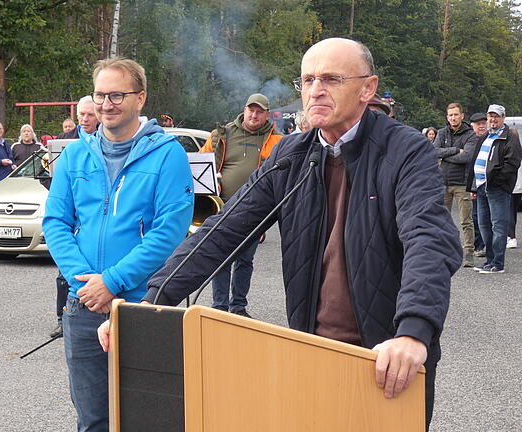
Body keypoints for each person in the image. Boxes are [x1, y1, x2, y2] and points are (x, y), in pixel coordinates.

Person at [100, 38, 462, 429]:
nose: (316, 90)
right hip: (309, 352)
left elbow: (429, 239)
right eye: (307, 80)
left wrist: (413, 332)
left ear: (368, 88)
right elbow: (221, 232)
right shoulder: (291, 154)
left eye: (331, 78)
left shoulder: (406, 150)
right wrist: (151, 304)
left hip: (388, 358)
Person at [43, 57, 194, 432]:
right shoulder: (74, 155)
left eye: (117, 95)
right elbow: (56, 224)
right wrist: (88, 286)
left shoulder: (167, 155)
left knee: (148, 417)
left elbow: (169, 232)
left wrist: (111, 281)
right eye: (100, 95)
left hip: (144, 304)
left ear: (140, 98)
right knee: (92, 419)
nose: (106, 104)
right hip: (83, 305)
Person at [199, 93, 283, 317]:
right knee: (221, 259)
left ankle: (238, 308)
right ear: (244, 110)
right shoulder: (221, 134)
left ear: (267, 115)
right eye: (251, 110)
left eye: (259, 112)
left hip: (255, 210)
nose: (254, 115)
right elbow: (200, 163)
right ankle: (219, 307)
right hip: (223, 207)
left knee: (245, 260)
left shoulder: (277, 140)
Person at [49, 95, 100, 339]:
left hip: (92, 220)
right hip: (72, 218)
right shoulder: (66, 142)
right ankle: (62, 317)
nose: (85, 119)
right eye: (81, 115)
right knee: (64, 273)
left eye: (90, 115)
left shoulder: (107, 139)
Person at [466, 104, 522, 274]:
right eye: (490, 116)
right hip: (482, 187)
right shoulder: (486, 136)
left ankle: (498, 263)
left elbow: (512, 163)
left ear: (503, 117)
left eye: (496, 116)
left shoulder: (509, 137)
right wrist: (473, 185)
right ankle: (489, 261)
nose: (493, 119)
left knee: (498, 226)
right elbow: (476, 161)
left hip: (497, 188)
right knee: (484, 226)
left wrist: (495, 181)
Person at [433, 103, 477, 267]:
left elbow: (466, 157)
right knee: (441, 220)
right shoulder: (442, 132)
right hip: (443, 182)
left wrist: (446, 154)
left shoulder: (470, 135)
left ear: (462, 116)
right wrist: (455, 150)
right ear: (447, 117)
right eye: (450, 115)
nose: (453, 118)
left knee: (466, 220)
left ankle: (468, 254)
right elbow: (433, 151)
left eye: (456, 115)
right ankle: (443, 252)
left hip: (462, 183)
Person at [469, 113, 488, 256]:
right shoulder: (470, 140)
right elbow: (468, 163)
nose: (481, 126)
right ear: (472, 126)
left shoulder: (491, 139)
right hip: (475, 184)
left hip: (491, 183)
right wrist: (471, 187)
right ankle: (479, 245)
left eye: (483, 123)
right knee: (476, 217)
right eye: (478, 124)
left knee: (492, 217)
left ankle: (491, 245)